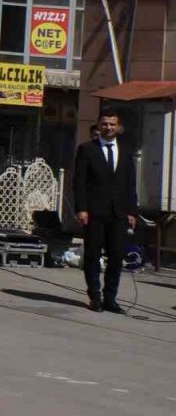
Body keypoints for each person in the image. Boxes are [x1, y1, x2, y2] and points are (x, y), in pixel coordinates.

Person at [72, 108, 137, 313]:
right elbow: (79, 182)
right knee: (92, 255)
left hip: (118, 213)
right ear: (98, 126)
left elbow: (130, 183)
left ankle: (111, 298)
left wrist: (131, 211)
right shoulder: (87, 149)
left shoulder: (126, 151)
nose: (108, 127)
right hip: (94, 212)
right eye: (104, 124)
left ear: (118, 127)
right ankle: (95, 297)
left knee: (116, 256)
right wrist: (81, 208)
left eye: (112, 124)